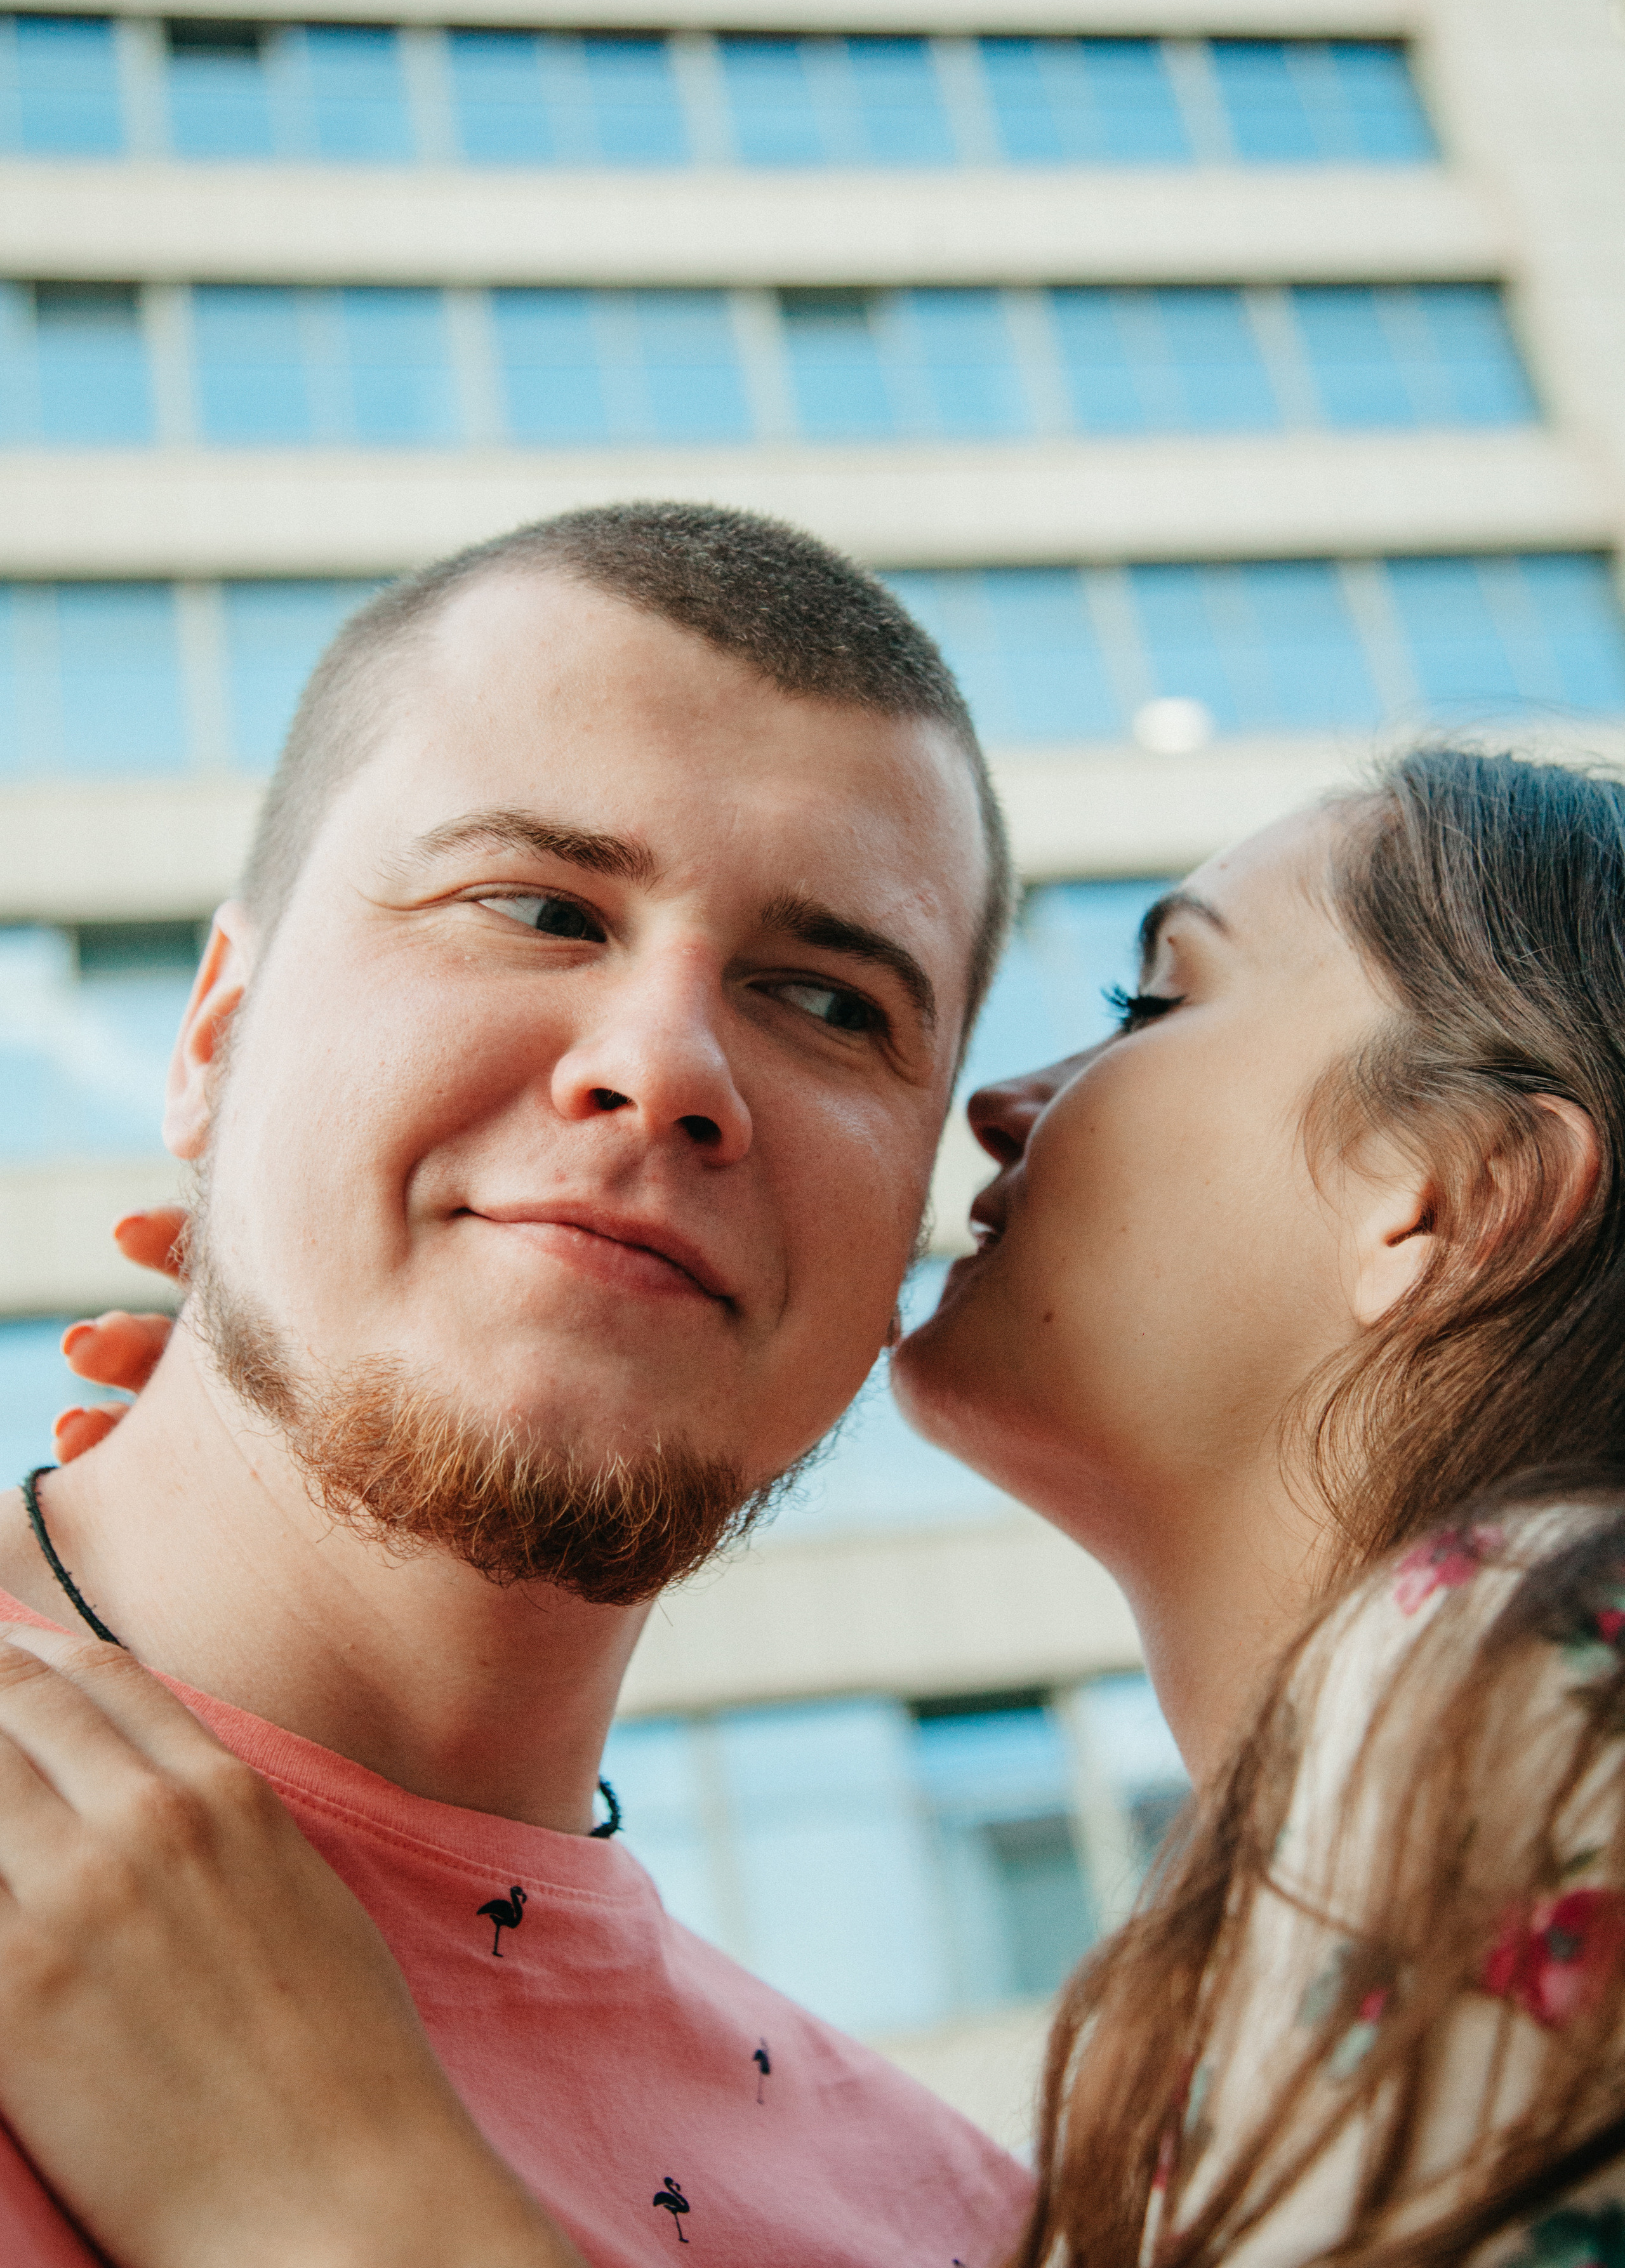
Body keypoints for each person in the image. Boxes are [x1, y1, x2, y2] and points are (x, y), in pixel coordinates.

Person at [10, 743, 1625, 2267]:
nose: (1001, 1108)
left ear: (1456, 1194)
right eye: (542, 916)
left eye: (1153, 1001)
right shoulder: (1311, 1898)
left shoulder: (1553, 1663)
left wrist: (332, 2198)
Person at [0, 500, 1035, 2267]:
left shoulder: (976, 2230)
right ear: (210, 1043)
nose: (666, 1066)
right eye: (541, 906)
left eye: (831, 1001)